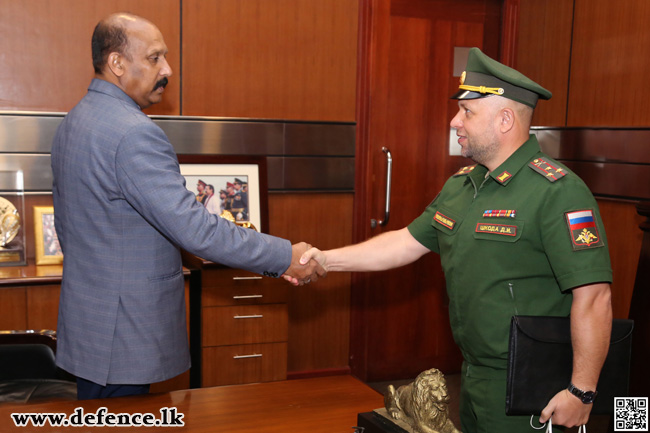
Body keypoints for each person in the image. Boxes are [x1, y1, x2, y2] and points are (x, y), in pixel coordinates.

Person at [296, 48, 612, 432]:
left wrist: (582, 393)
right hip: (473, 376)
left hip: (534, 383)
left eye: (467, 112)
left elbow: (594, 296)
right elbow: (405, 243)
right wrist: (325, 259)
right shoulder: (463, 185)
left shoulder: (557, 192)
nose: (454, 121)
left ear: (505, 120)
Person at [51, 12, 324, 400]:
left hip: (91, 321)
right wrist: (284, 255)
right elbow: (197, 229)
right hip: (124, 330)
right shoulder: (134, 134)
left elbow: (71, 224)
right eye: (154, 58)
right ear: (117, 63)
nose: (167, 69)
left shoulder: (75, 120)